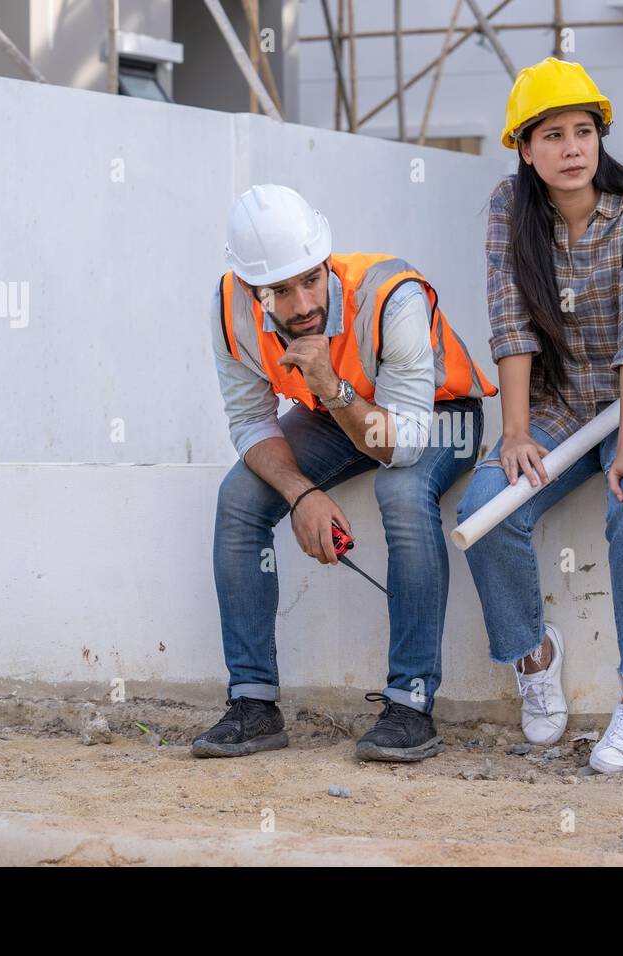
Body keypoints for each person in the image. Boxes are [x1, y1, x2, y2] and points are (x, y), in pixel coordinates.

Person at [456, 58, 623, 774]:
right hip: (558, 405)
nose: (572, 148)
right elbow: (510, 324)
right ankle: (535, 655)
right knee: (490, 510)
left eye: (584, 132)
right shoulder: (510, 208)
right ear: (524, 148)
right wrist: (513, 432)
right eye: (553, 135)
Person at [195, 184, 497, 763]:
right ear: (254, 290)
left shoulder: (393, 294)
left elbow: (403, 445)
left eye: (311, 278)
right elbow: (249, 423)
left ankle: (411, 707)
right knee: (238, 497)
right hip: (334, 411)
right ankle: (253, 703)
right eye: (280, 290)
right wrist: (301, 492)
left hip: (434, 414)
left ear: (325, 258)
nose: (303, 301)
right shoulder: (228, 306)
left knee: (403, 491)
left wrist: (333, 388)